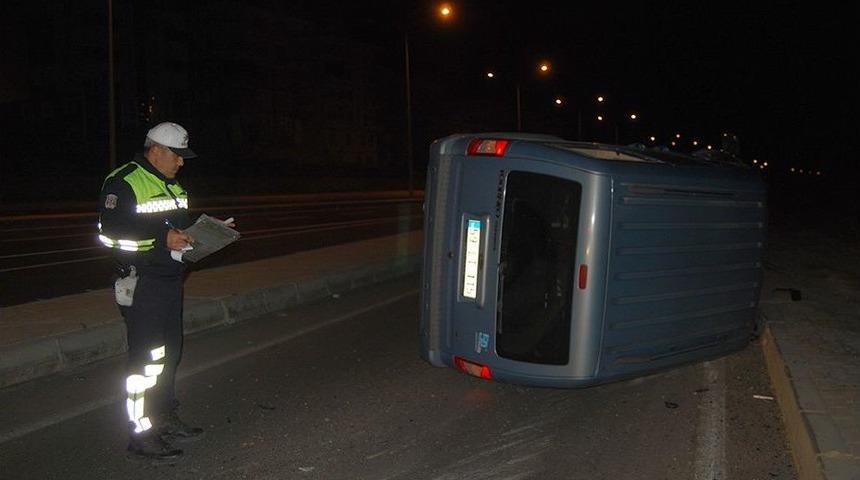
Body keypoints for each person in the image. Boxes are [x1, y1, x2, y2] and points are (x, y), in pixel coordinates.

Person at [98, 121, 204, 460]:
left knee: (168, 354)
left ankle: (164, 417)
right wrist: (162, 240)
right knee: (145, 363)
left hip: (171, 279)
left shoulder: (170, 184)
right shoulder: (124, 181)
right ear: (156, 150)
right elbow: (111, 234)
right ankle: (140, 434)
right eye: (178, 155)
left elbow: (177, 226)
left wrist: (200, 236)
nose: (182, 162)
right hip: (142, 282)